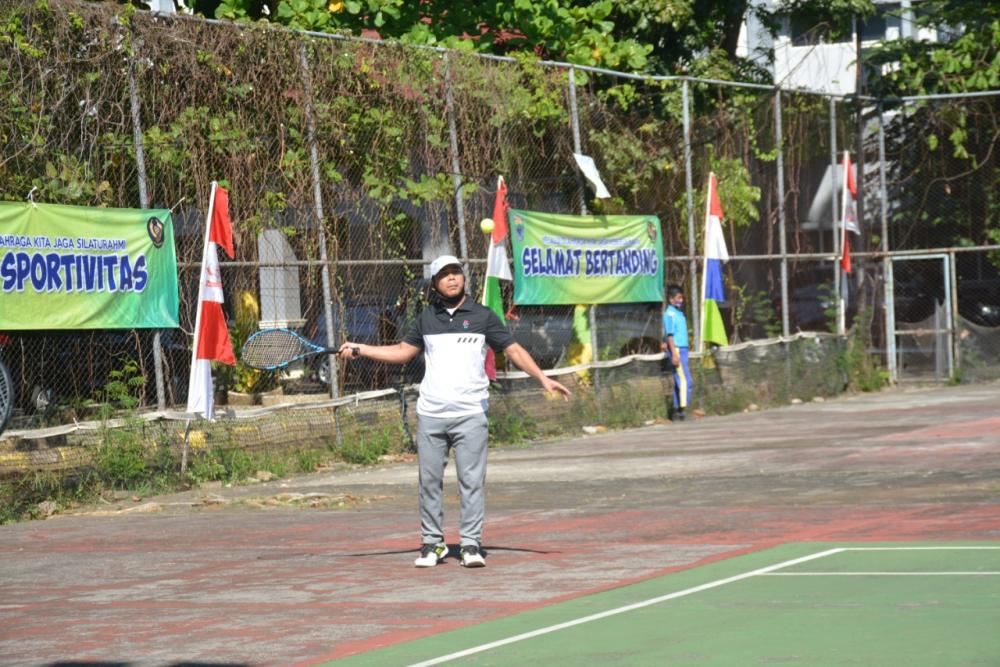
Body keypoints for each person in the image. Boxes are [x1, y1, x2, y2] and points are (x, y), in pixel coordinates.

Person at [338, 255, 571, 569]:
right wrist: (361, 348)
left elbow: (512, 349)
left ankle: (471, 545)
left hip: (471, 414)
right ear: (435, 283)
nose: (451, 278)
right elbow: (403, 352)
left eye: (456, 273)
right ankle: (432, 545)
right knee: (429, 482)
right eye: (444, 275)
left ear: (463, 278)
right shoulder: (425, 319)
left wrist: (542, 378)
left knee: (471, 481)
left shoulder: (483, 317)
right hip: (432, 415)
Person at [661, 284, 691, 421]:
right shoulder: (670, 314)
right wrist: (674, 354)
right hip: (677, 349)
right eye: (678, 298)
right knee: (686, 381)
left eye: (682, 297)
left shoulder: (678, 313)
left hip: (683, 349)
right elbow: (670, 335)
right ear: (671, 299)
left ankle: (676, 411)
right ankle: (683, 410)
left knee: (680, 380)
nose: (681, 300)